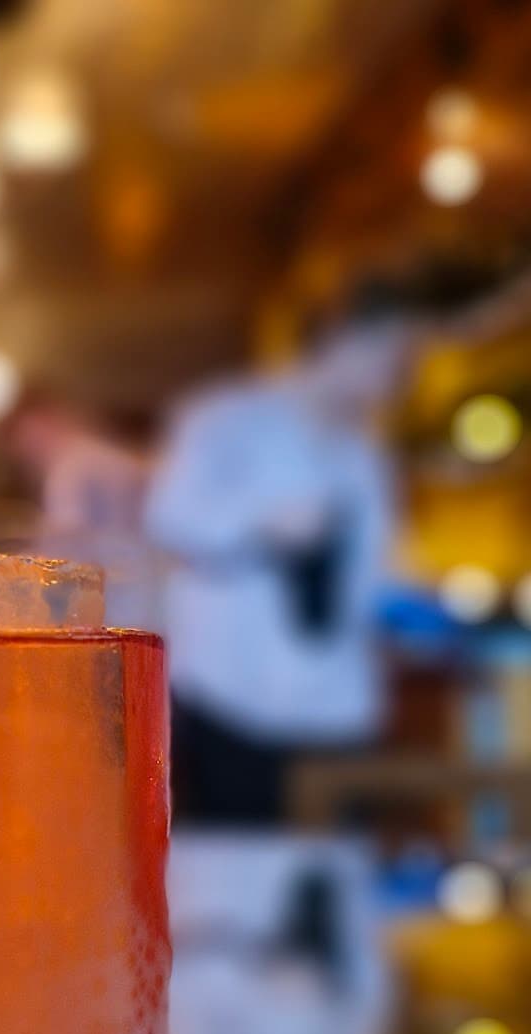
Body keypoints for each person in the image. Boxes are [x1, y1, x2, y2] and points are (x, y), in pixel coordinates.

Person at [146, 281, 424, 825]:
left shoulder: (365, 454)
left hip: (340, 706)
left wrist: (417, 610)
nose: (400, 374)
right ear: (346, 337)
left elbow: (377, 576)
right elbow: (170, 517)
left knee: (339, 868)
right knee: (245, 874)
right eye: (393, 354)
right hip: (235, 695)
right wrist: (263, 520)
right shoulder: (227, 417)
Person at [1, 388, 158, 626]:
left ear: (39, 421)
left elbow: (66, 549)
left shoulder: (71, 467)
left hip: (116, 605)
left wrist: (5, 570)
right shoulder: (106, 455)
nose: (24, 452)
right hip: (153, 597)